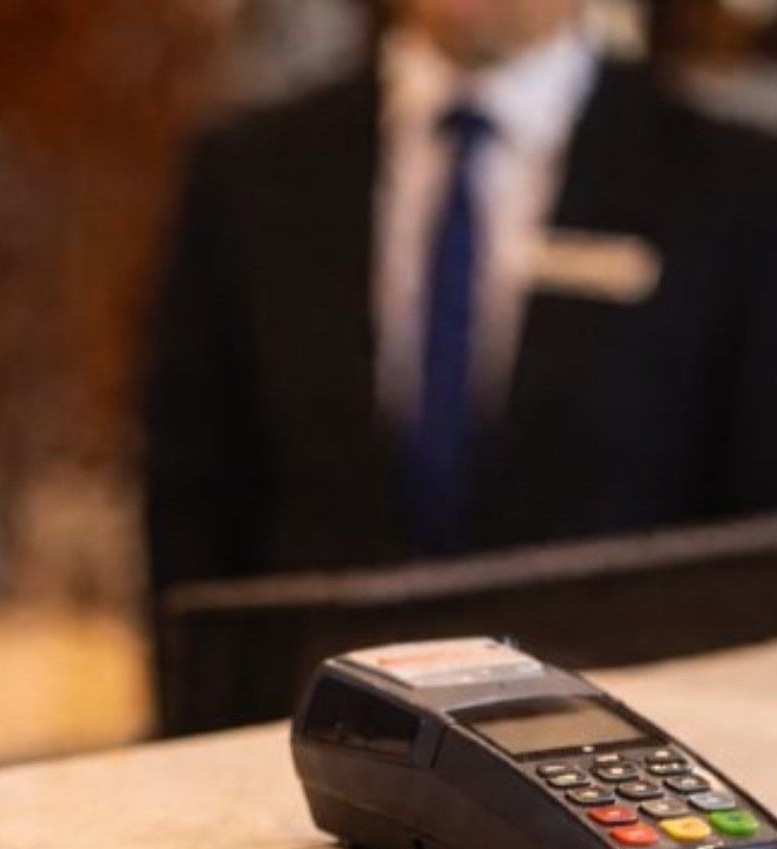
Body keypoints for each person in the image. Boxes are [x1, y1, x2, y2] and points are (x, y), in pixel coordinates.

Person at [143, 0, 777, 596]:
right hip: (310, 695)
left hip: (620, 693)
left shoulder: (730, 187)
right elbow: (190, 501)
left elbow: (747, 531)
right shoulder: (250, 171)